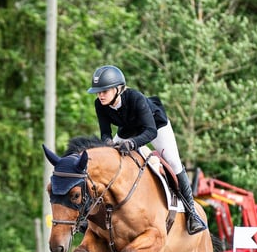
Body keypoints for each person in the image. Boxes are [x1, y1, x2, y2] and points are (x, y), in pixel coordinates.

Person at [86, 65, 207, 235]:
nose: (100, 95)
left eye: (104, 91)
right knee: (106, 159)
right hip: (128, 129)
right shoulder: (100, 104)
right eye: (98, 91)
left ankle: (192, 214)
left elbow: (150, 131)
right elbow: (105, 133)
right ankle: (89, 213)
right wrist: (108, 143)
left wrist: (132, 144)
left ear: (118, 89)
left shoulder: (135, 98)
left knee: (174, 162)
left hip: (155, 126)